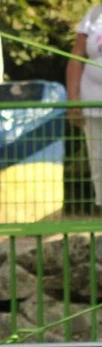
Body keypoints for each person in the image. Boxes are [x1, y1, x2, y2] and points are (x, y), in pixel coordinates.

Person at [68, 4, 102, 209]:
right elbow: (76, 57)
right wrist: (73, 97)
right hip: (93, 105)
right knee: (99, 164)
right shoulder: (95, 13)